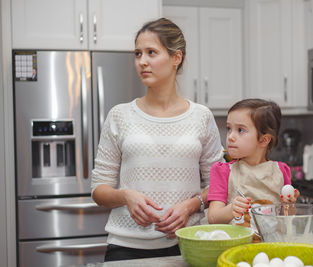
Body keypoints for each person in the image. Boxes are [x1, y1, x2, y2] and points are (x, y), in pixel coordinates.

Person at [91, 18, 224, 261]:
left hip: (189, 245)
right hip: (125, 247)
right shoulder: (120, 115)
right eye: (138, 53)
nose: (142, 61)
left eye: (152, 52)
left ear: (176, 58)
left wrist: (191, 205)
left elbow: (218, 183)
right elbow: (99, 190)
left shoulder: (201, 116)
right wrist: (125, 196)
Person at [207, 99, 300, 225]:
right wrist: (231, 209)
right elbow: (213, 218)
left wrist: (289, 205)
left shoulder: (281, 171)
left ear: (263, 140)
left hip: (270, 243)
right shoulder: (222, 171)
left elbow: (287, 219)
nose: (230, 137)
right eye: (229, 128)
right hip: (237, 244)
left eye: (240, 130)